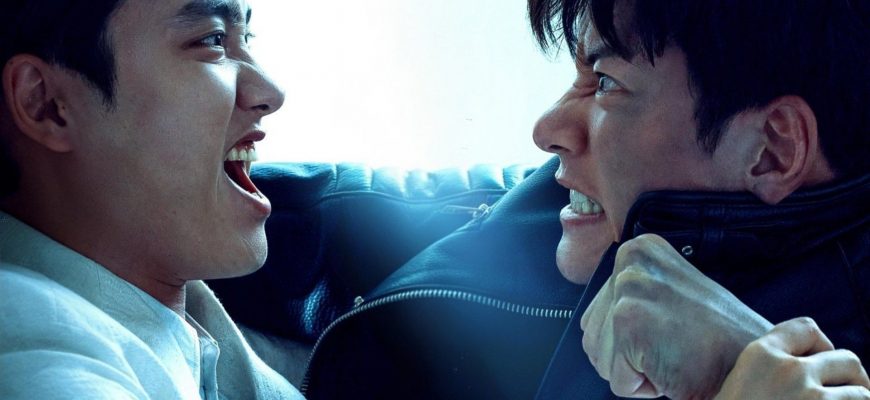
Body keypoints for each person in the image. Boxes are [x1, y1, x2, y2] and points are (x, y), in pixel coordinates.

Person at [301, 0, 869, 398]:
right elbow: (334, 205)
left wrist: (739, 370)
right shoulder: (557, 209)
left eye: (606, 84)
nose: (547, 130)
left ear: (771, 151)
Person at [0, 0, 303, 398]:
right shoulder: (34, 354)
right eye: (213, 40)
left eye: (247, 37)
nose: (271, 92)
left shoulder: (191, 324)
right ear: (46, 104)